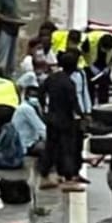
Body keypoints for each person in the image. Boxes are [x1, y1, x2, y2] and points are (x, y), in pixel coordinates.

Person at [38, 51, 84, 191]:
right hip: (65, 120)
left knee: (50, 147)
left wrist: (44, 109)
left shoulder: (52, 78)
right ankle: (69, 179)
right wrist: (81, 115)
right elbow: (73, 103)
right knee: (67, 149)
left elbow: (41, 92)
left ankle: (44, 174)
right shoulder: (69, 83)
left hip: (52, 118)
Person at [66, 47, 93, 181]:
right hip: (68, 114)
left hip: (80, 114)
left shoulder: (81, 74)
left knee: (78, 145)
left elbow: (85, 92)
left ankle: (76, 171)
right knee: (68, 145)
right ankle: (68, 173)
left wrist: (88, 111)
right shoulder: (62, 76)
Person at [80, 30, 112, 104]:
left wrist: (109, 67)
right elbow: (83, 52)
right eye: (104, 49)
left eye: (107, 50)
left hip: (104, 64)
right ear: (100, 44)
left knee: (104, 87)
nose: (105, 51)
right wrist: (91, 66)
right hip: (90, 63)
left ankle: (103, 106)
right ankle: (90, 106)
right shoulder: (90, 39)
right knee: (90, 86)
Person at [10, 84, 46, 158]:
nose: (34, 98)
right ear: (26, 96)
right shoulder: (26, 109)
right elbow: (41, 128)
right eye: (32, 96)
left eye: (36, 96)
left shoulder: (31, 107)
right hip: (25, 145)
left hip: (29, 141)